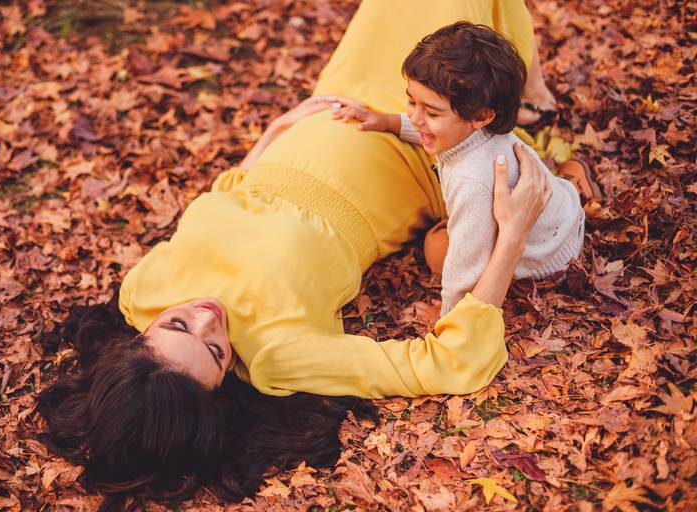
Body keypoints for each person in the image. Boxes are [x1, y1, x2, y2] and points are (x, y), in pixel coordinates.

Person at [37, 1, 553, 508]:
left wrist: (275, 132)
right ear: (220, 391)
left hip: (351, 105)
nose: (207, 317)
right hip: (422, 147)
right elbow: (447, 363)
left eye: (177, 326)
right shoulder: (277, 355)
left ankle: (526, 89)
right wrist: (511, 235)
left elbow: (224, 200)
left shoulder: (143, 292)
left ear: (139, 339)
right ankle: (526, 100)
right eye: (216, 351)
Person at [331, 22, 585, 317]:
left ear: (480, 117)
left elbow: (465, 264)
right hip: (562, 216)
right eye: (412, 101)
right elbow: (439, 133)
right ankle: (576, 177)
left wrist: (447, 315)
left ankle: (576, 180)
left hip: (545, 263)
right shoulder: (478, 127)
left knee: (437, 248)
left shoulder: (471, 181)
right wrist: (388, 122)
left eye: (432, 112)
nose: (415, 116)